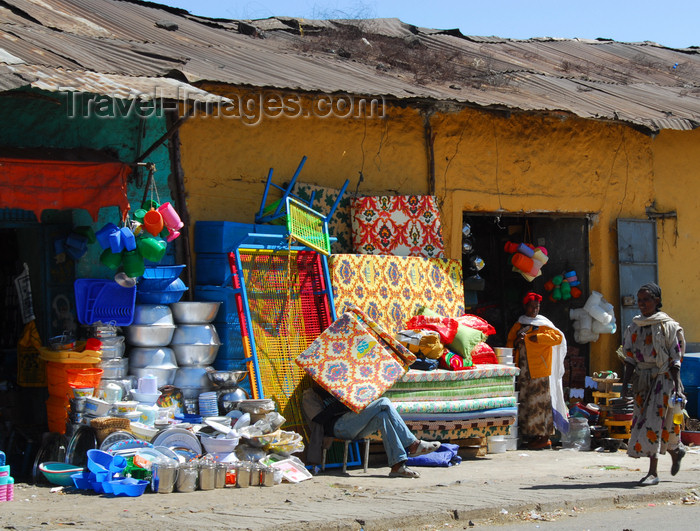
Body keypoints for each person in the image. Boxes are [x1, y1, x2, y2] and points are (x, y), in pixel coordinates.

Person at [621, 282, 686, 486]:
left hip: (663, 380)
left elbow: (676, 359)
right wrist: (625, 385)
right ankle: (676, 451)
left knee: (655, 424)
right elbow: (629, 358)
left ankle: (653, 472)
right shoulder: (634, 326)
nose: (642, 304)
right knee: (646, 422)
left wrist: (677, 386)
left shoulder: (668, 326)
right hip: (642, 380)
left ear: (657, 300)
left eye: (646, 300)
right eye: (639, 300)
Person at [302, 386, 440, 478]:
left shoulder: (339, 387)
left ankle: (397, 466)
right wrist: (337, 405)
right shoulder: (310, 394)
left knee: (383, 417)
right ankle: (413, 444)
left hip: (353, 425)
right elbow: (318, 419)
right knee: (384, 402)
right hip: (337, 427)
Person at [506, 292, 568, 450]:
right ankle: (533, 437)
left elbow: (558, 338)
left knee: (540, 405)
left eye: (537, 307)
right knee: (527, 404)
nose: (534, 310)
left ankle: (544, 437)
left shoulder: (544, 324)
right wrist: (516, 341)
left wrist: (537, 338)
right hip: (524, 372)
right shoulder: (519, 324)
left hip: (540, 371)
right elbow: (509, 343)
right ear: (525, 307)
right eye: (532, 306)